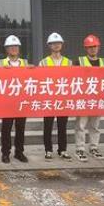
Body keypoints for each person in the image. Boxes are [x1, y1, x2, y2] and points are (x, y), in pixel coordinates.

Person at [39, 32, 72, 161]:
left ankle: (62, 150)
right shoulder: (43, 62)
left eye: (58, 43)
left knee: (62, 126)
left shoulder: (68, 62)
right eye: (53, 43)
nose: (56, 45)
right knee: (48, 126)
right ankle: (48, 150)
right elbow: (39, 80)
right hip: (49, 99)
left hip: (63, 99)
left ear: (62, 45)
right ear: (49, 46)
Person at [74, 34, 104, 162]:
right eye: (90, 47)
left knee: (95, 126)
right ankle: (80, 149)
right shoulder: (79, 61)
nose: (93, 49)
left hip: (97, 99)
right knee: (81, 125)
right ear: (86, 48)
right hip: (83, 99)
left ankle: (94, 147)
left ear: (98, 47)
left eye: (95, 46)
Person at [0, 35, 29, 164]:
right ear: (6, 49)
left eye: (16, 46)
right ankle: (5, 153)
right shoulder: (0, 63)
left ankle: (19, 152)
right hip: (7, 101)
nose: (14, 49)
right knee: (6, 128)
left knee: (20, 128)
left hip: (21, 100)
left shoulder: (25, 63)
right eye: (11, 47)